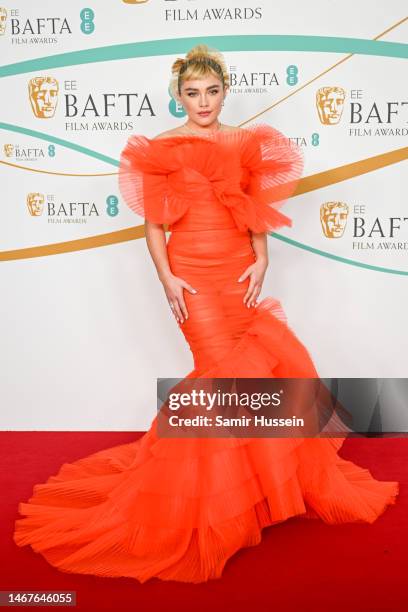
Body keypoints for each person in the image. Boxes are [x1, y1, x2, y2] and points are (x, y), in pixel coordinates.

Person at [13, 44, 399, 584]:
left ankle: (254, 501)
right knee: (215, 381)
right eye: (192, 93)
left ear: (224, 91)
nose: (203, 101)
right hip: (191, 276)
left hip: (237, 270)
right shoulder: (161, 148)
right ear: (178, 96)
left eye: (212, 91)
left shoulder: (245, 141)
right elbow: (152, 226)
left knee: (252, 379)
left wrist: (263, 256)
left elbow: (252, 207)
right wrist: (167, 278)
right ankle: (208, 509)